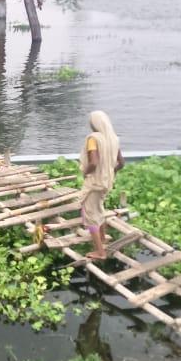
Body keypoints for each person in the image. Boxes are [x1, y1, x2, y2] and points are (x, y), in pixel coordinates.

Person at [79, 110, 124, 260]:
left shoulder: (93, 139)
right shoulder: (113, 139)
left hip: (94, 183)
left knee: (90, 216)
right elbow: (121, 163)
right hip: (106, 182)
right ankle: (103, 237)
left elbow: (93, 162)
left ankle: (100, 252)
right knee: (99, 208)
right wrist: (110, 172)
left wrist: (86, 172)